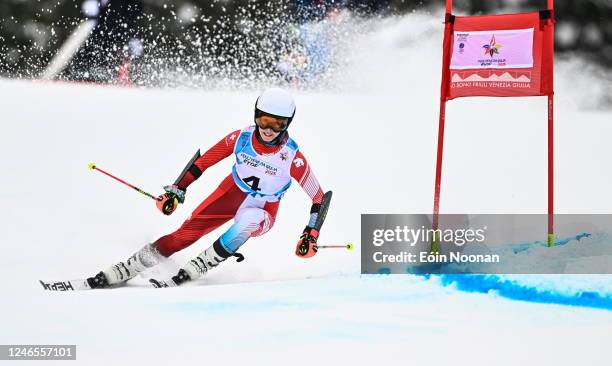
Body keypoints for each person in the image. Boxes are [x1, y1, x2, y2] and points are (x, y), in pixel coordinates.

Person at [87, 87, 331, 288]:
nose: (268, 129)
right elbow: (203, 163)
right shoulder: (241, 139)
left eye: (277, 124)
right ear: (255, 115)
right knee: (184, 235)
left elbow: (319, 197)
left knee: (250, 219)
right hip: (230, 193)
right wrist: (176, 190)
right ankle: (129, 267)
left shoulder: (292, 157)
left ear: (287, 124)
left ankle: (202, 263)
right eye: (263, 120)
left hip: (264, 207)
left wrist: (311, 233)